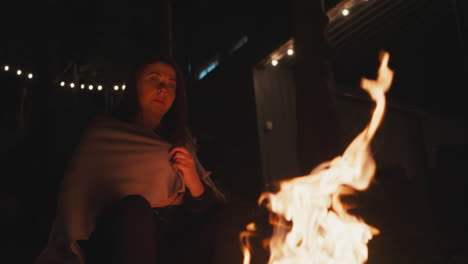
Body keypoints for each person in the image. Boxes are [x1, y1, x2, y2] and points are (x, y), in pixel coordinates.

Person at [35, 54, 224, 264]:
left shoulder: (181, 142)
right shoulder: (105, 134)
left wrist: (192, 179)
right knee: (136, 209)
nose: (164, 88)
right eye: (155, 79)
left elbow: (208, 209)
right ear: (134, 85)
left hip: (170, 244)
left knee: (233, 216)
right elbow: (83, 198)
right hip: (115, 243)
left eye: (172, 85)